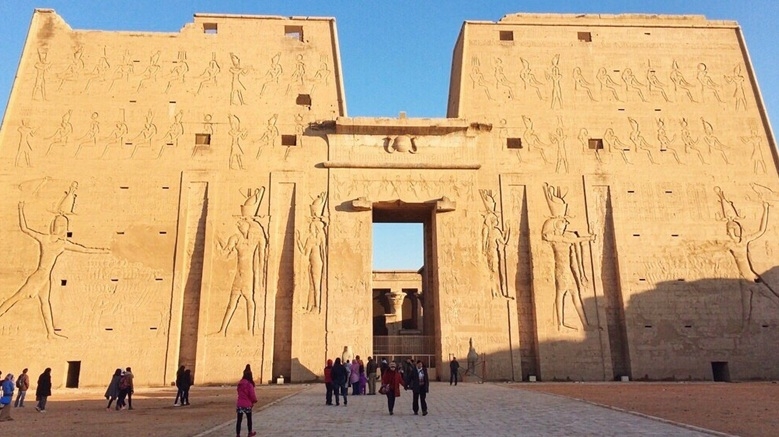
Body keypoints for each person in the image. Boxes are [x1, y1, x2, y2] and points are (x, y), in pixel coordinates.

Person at [236, 368, 258, 437]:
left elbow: (238, 392)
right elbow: (252, 395)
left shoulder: (240, 384)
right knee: (249, 419)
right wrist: (254, 400)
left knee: (239, 420)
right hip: (247, 404)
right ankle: (249, 432)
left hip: (239, 404)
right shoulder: (249, 384)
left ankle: (238, 434)